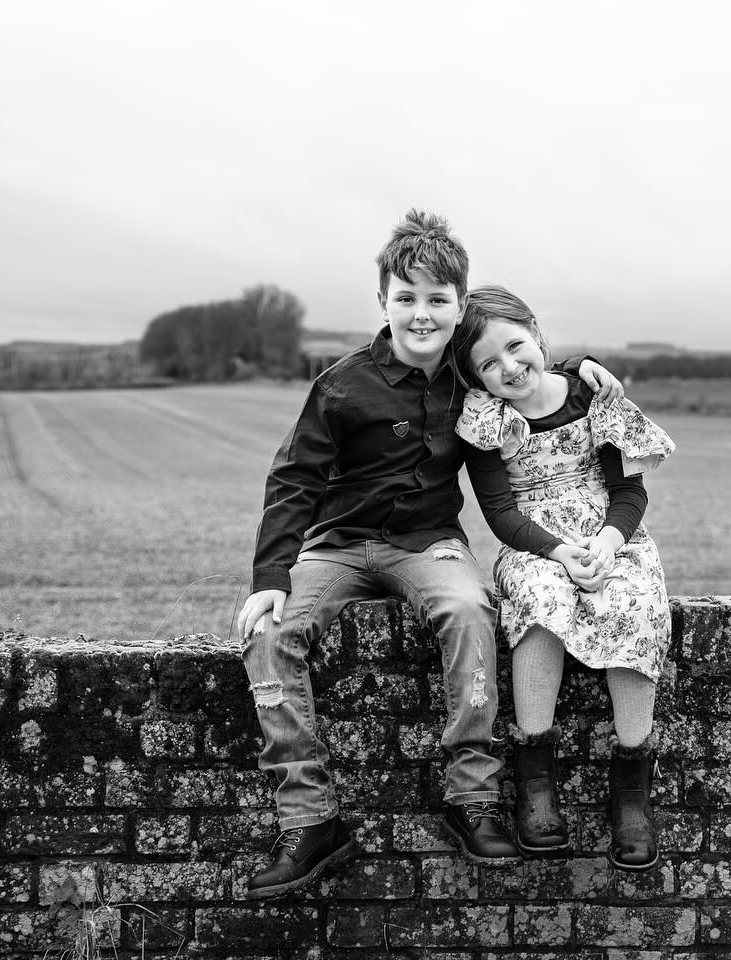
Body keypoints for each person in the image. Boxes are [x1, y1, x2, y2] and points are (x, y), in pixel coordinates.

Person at [235, 211, 623, 899]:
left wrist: (580, 369)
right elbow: (293, 480)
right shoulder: (341, 386)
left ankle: (469, 798)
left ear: (459, 305)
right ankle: (311, 820)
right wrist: (271, 576)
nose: (422, 313)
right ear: (383, 301)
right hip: (336, 545)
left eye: (437, 299)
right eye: (406, 298)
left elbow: (528, 376)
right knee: (268, 634)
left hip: (429, 545)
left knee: (472, 611)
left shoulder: (470, 383)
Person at [453, 285, 675, 872]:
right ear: (474, 377)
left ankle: (631, 786)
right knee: (538, 599)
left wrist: (605, 543)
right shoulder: (486, 422)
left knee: (634, 600)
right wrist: (557, 552)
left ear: (536, 333)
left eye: (515, 347)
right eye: (488, 365)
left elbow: (629, 491)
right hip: (535, 545)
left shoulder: (590, 395)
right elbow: (501, 515)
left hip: (608, 534)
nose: (509, 368)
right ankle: (536, 782)